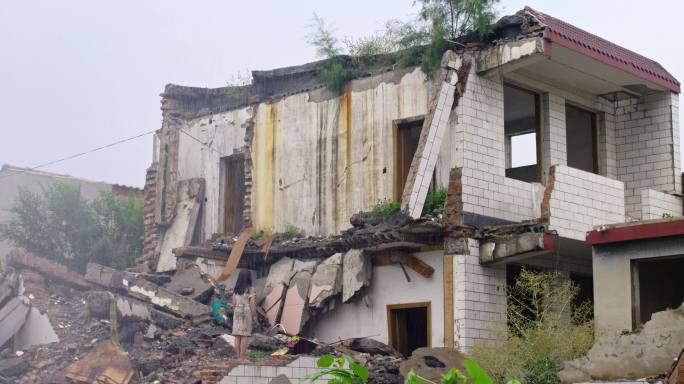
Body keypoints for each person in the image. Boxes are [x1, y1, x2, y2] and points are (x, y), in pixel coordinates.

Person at [232, 270, 256, 361]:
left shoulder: (236, 289)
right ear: (249, 277)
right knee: (244, 335)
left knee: (237, 335)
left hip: (237, 312)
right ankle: (242, 358)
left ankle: (238, 357)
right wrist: (254, 316)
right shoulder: (250, 289)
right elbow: (252, 304)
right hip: (246, 312)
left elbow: (233, 303)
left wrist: (237, 311)